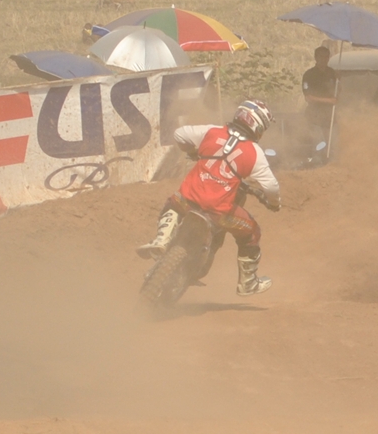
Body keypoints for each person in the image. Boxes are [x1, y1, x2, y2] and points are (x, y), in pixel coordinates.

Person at [136, 100, 281, 296]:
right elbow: (271, 186)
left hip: (187, 200)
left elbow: (179, 134)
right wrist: (273, 202)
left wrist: (193, 152)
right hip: (219, 213)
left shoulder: (212, 132)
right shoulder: (255, 153)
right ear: (259, 125)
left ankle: (161, 239)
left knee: (173, 203)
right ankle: (248, 283)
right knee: (252, 231)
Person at [301, 46, 338, 158]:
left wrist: (339, 81)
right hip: (314, 117)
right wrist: (329, 101)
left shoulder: (333, 73)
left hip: (330, 116)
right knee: (319, 144)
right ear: (316, 58)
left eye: (326, 57)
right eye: (321, 57)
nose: (324, 59)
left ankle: (330, 163)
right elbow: (308, 97)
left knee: (333, 145)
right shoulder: (309, 75)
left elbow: (338, 92)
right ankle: (316, 163)